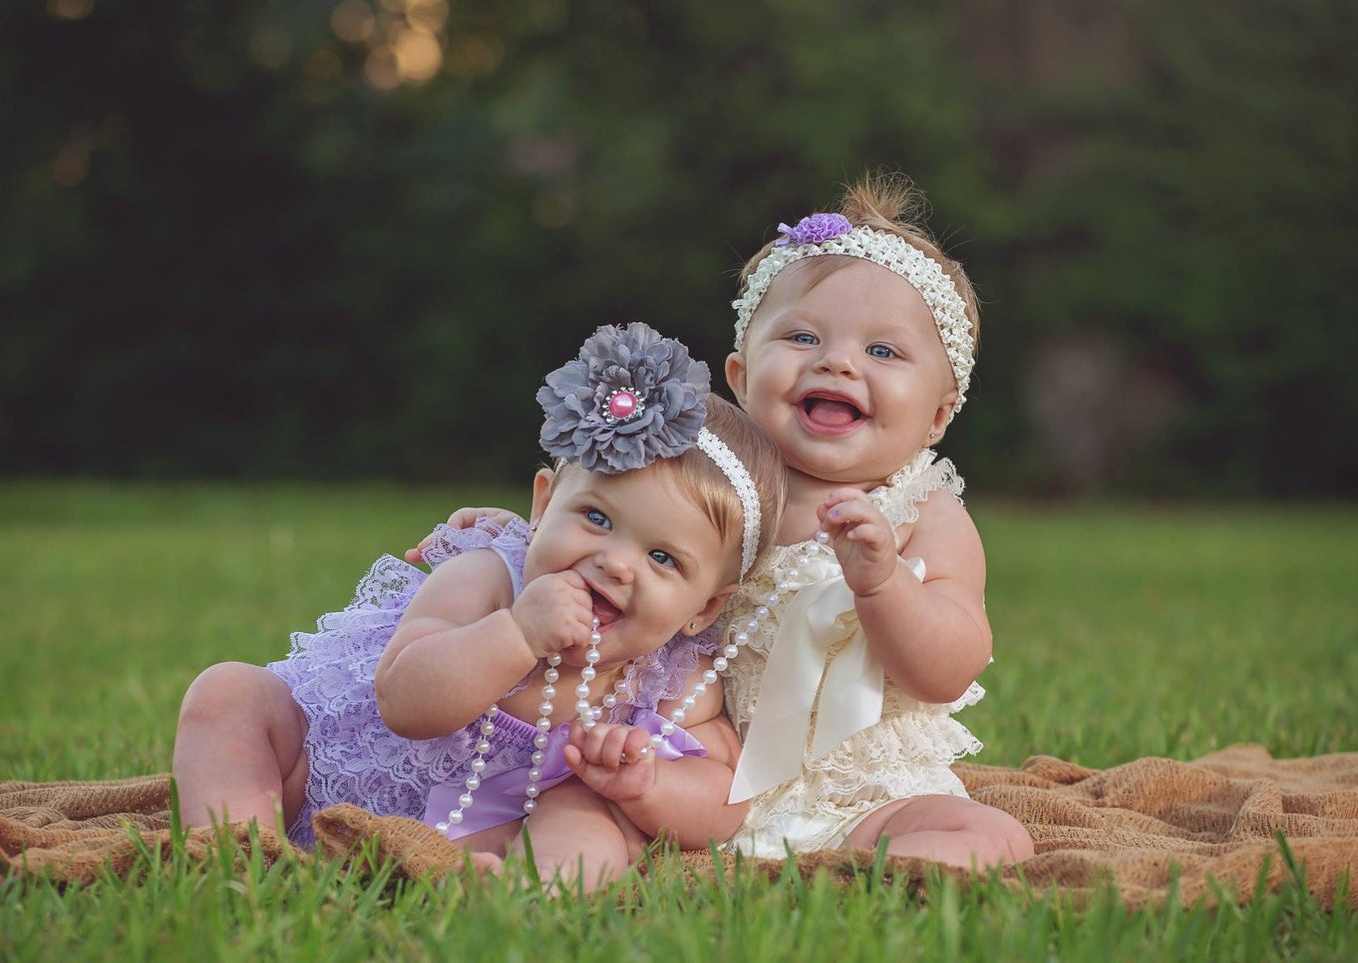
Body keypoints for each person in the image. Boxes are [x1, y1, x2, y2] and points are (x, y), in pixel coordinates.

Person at [417, 174, 1034, 869]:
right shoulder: (712, 485)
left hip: (865, 791)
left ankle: (856, 882)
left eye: (882, 351)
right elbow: (608, 528)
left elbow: (948, 669)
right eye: (802, 336)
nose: (836, 360)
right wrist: (510, 533)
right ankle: (551, 879)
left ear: (937, 416)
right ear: (739, 375)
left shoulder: (924, 514)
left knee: (993, 836)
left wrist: (884, 582)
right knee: (583, 811)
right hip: (687, 774)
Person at [173, 323, 786, 888]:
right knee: (230, 692)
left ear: (704, 608)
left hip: (488, 843)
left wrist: (648, 786)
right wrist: (517, 635)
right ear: (542, 505)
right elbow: (405, 701)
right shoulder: (487, 580)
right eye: (596, 517)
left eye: (662, 559)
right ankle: (240, 854)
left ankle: (527, 894)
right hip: (325, 785)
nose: (617, 563)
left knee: (587, 811)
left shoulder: (674, 681)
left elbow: (729, 802)